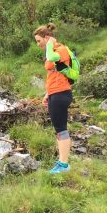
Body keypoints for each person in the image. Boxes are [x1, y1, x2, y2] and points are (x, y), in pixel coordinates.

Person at [33, 23, 73, 174]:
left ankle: (64, 165)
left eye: (39, 41)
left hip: (61, 94)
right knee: (59, 129)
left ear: (47, 38)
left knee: (61, 129)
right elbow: (54, 75)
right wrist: (47, 93)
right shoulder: (55, 51)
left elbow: (51, 57)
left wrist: (51, 44)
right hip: (55, 93)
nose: (38, 44)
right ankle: (62, 162)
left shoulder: (60, 50)